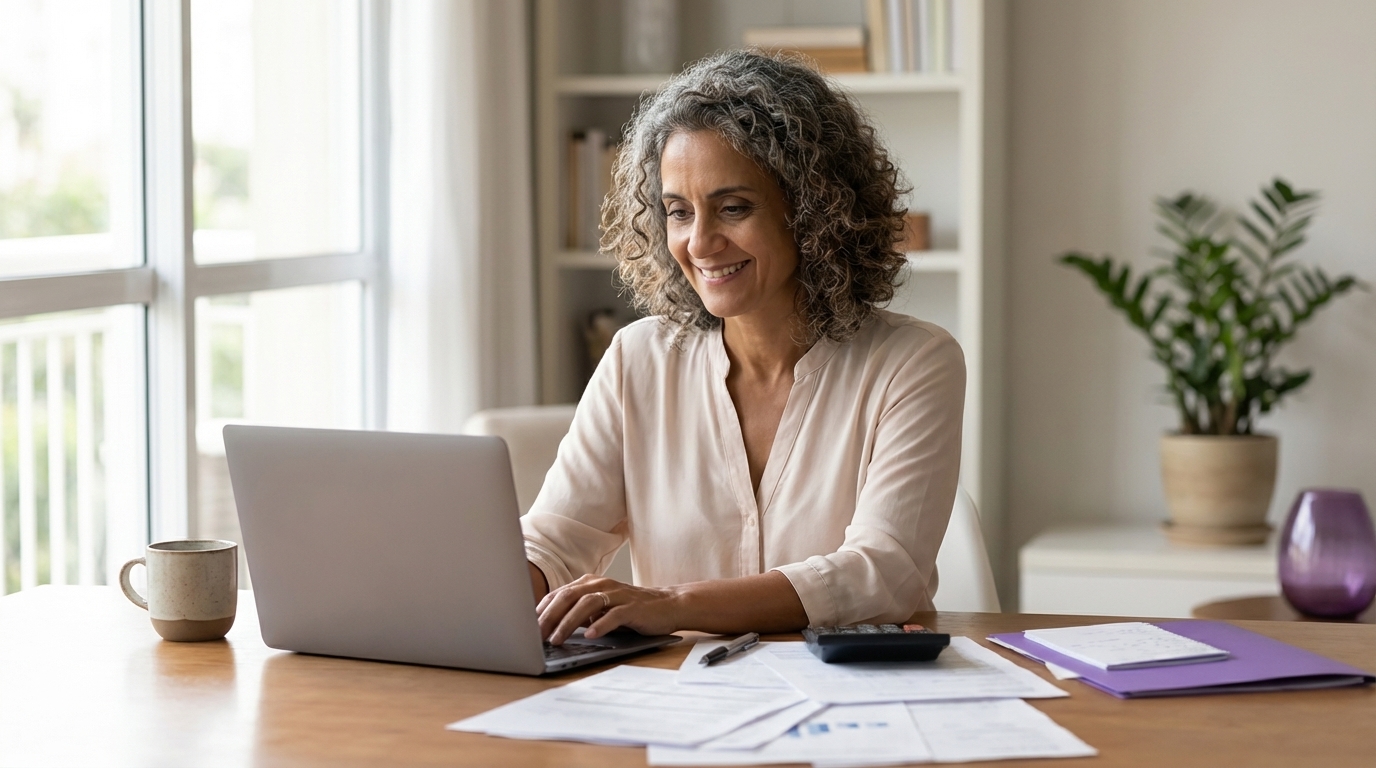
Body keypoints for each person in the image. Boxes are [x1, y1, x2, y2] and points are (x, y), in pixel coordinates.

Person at [524, 50, 965, 646]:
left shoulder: (913, 362)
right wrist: (467, 596)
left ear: (812, 212)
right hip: (683, 703)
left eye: (734, 208)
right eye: (679, 212)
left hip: (852, 703)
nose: (700, 242)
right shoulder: (638, 358)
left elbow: (882, 573)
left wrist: (670, 603)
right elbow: (556, 539)